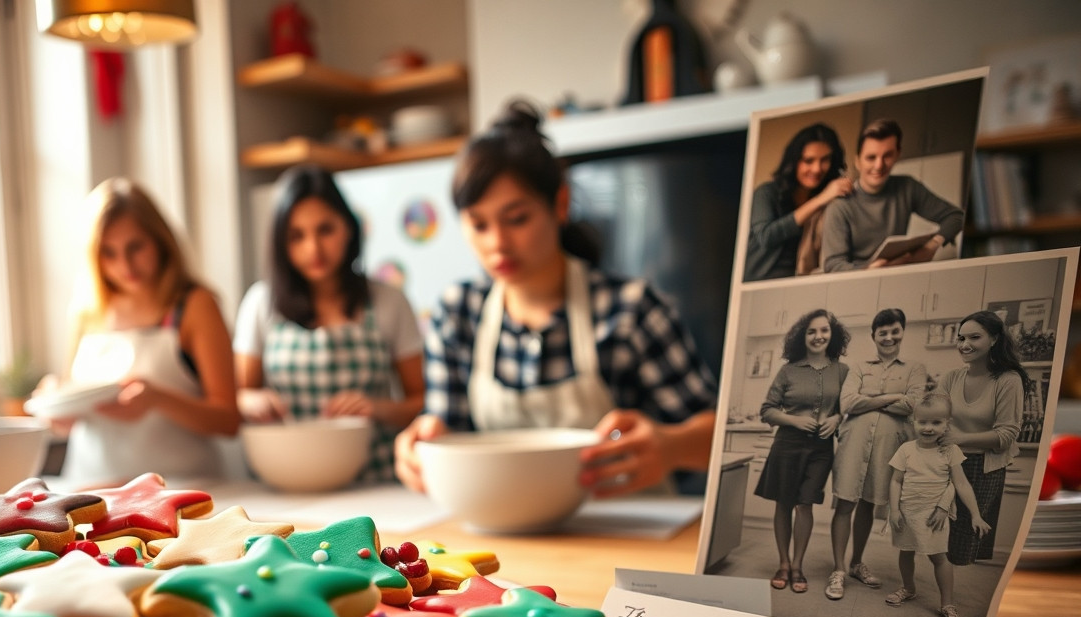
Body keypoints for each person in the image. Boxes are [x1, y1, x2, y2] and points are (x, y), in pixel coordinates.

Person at [394, 101, 718, 496]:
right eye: (479, 225)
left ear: (560, 205)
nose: (497, 244)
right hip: (510, 536)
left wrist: (672, 446)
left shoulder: (630, 309)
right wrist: (422, 447)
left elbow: (722, 438)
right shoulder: (458, 313)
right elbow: (447, 431)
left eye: (517, 219)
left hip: (630, 528)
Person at [234, 164, 425, 481]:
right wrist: (252, 399)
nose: (314, 248)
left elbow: (420, 402)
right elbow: (238, 396)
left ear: (349, 228)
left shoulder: (388, 301)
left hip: (375, 481)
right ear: (281, 243)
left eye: (325, 230)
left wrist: (377, 407)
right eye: (297, 236)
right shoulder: (261, 303)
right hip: (286, 478)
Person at [49, 178, 240, 486]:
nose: (125, 264)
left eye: (135, 247)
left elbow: (228, 420)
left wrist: (158, 399)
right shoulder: (87, 311)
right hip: (93, 492)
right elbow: (69, 419)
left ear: (160, 239)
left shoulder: (195, 306)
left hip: (182, 490)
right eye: (108, 253)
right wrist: (58, 407)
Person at [925, 310, 1029, 617]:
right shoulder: (952, 377)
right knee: (930, 532)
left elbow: (1007, 433)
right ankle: (937, 597)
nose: (964, 344)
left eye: (974, 337)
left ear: (995, 339)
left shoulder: (1008, 380)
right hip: (947, 460)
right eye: (961, 337)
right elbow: (937, 417)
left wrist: (962, 437)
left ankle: (950, 603)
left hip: (983, 467)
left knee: (961, 541)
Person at [826, 308, 927, 600]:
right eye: (882, 332)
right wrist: (894, 397)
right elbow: (847, 404)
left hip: (888, 449)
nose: (889, 337)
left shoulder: (915, 368)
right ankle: (838, 569)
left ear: (902, 333)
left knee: (869, 504)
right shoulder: (858, 367)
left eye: (895, 331)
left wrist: (869, 401)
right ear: (873, 336)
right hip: (853, 445)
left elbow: (914, 406)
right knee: (845, 504)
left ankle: (857, 562)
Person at [756, 309, 850, 594]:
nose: (818, 336)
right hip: (787, 444)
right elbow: (767, 410)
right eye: (812, 331)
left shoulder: (843, 371)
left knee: (805, 504)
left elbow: (850, 407)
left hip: (821, 448)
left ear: (832, 335)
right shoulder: (788, 370)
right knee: (783, 503)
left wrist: (837, 418)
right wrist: (795, 419)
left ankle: (798, 566)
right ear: (803, 336)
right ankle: (783, 564)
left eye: (824, 330)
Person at [886, 391, 991, 617]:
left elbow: (961, 483)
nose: (928, 428)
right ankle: (909, 588)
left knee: (939, 557)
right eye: (922, 422)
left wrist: (976, 514)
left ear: (947, 424)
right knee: (906, 551)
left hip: (935, 514)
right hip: (907, 510)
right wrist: (894, 511)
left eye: (936, 422)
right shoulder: (906, 449)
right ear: (914, 422)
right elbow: (895, 482)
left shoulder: (950, 451)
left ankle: (947, 604)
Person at [821, 118, 965, 272]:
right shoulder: (840, 206)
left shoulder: (908, 187)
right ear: (857, 161)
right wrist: (868, 269)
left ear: (897, 154)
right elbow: (833, 266)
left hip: (899, 274)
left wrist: (932, 245)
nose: (879, 165)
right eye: (871, 157)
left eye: (887, 156)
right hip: (858, 283)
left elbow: (956, 216)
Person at [744, 122, 852, 281]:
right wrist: (820, 200)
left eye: (825, 160)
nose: (817, 169)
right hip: (759, 281)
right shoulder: (766, 193)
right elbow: (766, 237)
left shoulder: (832, 198)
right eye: (809, 160)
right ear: (794, 162)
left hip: (801, 281)